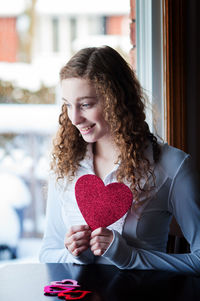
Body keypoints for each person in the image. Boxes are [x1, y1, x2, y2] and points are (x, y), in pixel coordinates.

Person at [39, 46, 200, 274]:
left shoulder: (172, 165)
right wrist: (76, 255)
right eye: (67, 104)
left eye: (86, 104)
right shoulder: (66, 164)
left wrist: (129, 256)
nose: (74, 118)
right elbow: (47, 252)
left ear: (116, 100)